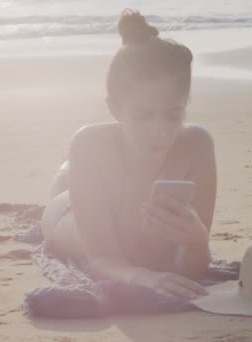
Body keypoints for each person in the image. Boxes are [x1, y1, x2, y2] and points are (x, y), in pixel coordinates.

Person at [41, 9, 216, 300]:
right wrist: (141, 276)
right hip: (67, 212)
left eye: (172, 115)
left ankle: (71, 172)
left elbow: (191, 269)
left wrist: (197, 241)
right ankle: (67, 172)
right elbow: (101, 260)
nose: (159, 130)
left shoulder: (197, 144)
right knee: (65, 186)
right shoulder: (89, 143)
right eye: (143, 115)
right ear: (114, 108)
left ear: (185, 105)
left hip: (105, 187)